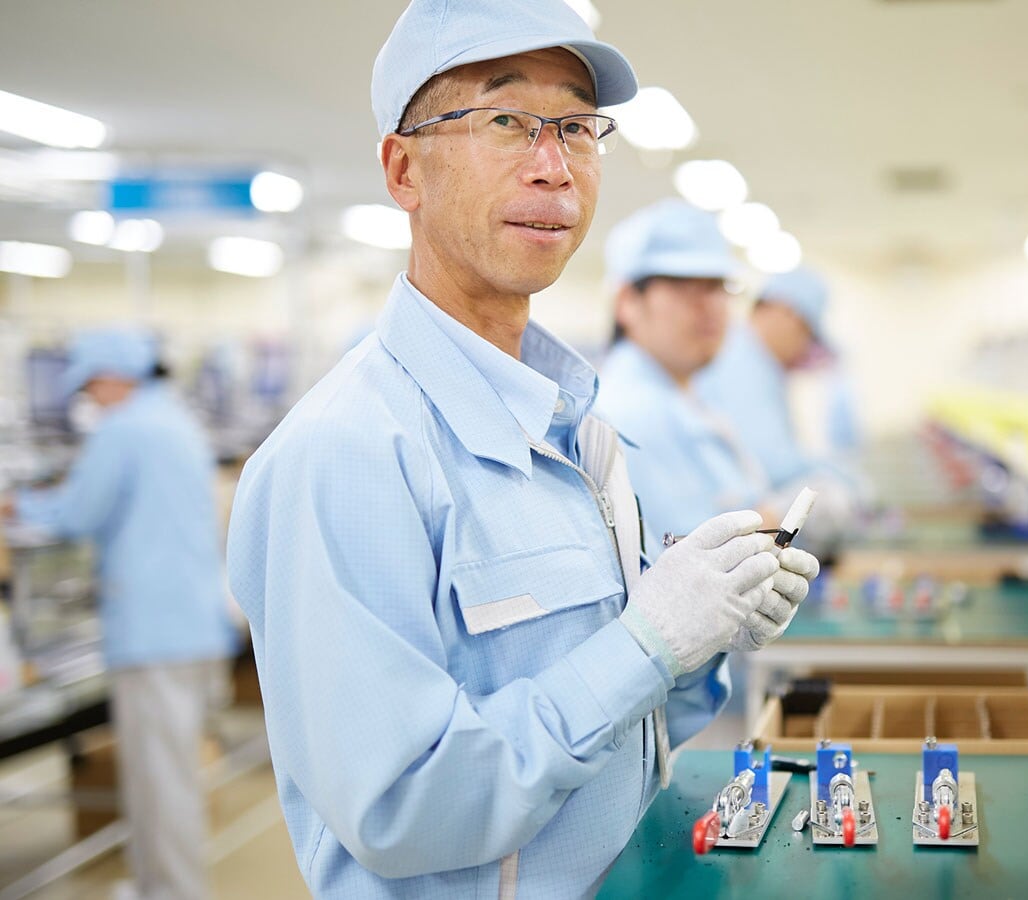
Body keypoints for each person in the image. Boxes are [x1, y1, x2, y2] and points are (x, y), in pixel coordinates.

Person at [225, 2, 819, 896]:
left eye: (577, 128)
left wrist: (706, 636)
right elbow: (407, 808)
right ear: (402, 168)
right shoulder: (345, 455)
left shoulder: (578, 433)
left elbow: (629, 733)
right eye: (506, 121)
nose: (554, 167)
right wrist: (650, 642)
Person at [2, 327, 237, 900]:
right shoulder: (175, 422)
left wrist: (19, 505)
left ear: (113, 377)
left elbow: (77, 514)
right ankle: (162, 882)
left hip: (154, 630)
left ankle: (172, 891)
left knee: (162, 778)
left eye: (91, 385)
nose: (90, 398)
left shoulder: (126, 429)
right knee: (168, 771)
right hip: (190, 621)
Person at [595, 199, 774, 550]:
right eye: (683, 285)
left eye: (717, 286)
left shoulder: (688, 395)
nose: (710, 305)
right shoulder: (627, 415)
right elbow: (696, 566)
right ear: (627, 302)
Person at [696, 267, 865, 556]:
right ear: (786, 312)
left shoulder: (757, 361)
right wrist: (839, 479)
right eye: (806, 333)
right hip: (726, 528)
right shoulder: (740, 360)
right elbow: (769, 463)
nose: (803, 349)